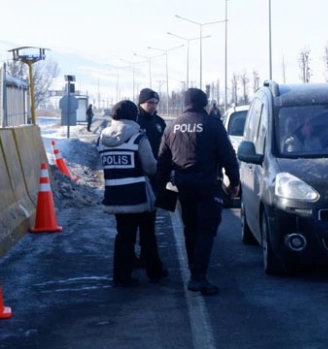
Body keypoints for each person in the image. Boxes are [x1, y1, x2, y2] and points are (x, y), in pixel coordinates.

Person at [157, 88, 240, 296]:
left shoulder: (172, 126)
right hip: (208, 183)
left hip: (183, 184)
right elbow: (228, 156)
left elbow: (163, 160)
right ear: (204, 103)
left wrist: (161, 188)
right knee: (206, 230)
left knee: (190, 228)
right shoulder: (213, 124)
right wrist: (235, 183)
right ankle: (198, 277)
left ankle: (194, 270)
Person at [97, 100, 168, 287]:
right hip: (138, 195)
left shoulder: (102, 138)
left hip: (114, 194)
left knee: (123, 236)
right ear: (134, 116)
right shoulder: (138, 138)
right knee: (147, 234)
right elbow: (151, 167)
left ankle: (121, 276)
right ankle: (155, 271)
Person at [135, 88, 167, 268]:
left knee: (150, 218)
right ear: (141, 103)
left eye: (155, 103)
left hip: (155, 175)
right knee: (134, 222)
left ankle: (146, 255)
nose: (153, 106)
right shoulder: (135, 122)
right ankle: (137, 256)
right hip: (137, 176)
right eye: (150, 103)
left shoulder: (159, 122)